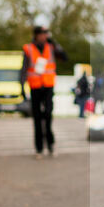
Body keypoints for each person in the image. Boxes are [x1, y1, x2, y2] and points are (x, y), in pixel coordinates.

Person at [20, 26, 67, 156]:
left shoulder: (51, 47)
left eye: (46, 34)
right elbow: (23, 69)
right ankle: (39, 148)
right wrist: (21, 86)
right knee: (37, 117)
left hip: (48, 86)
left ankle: (50, 143)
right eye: (42, 34)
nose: (44, 36)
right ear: (36, 35)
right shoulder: (28, 48)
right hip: (35, 87)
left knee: (47, 115)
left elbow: (64, 57)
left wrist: (55, 43)